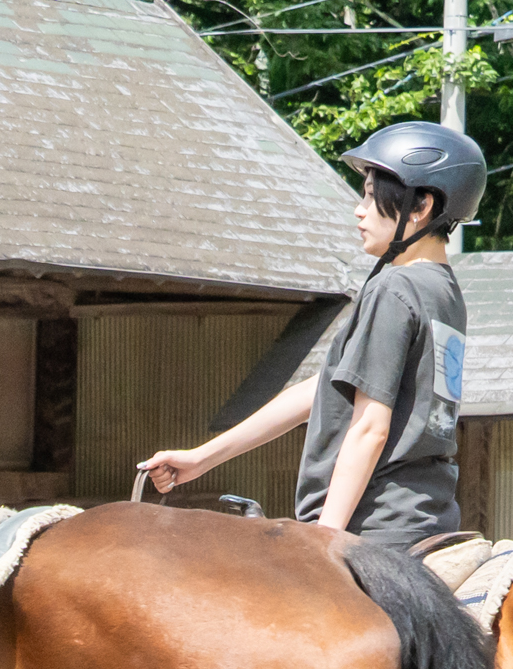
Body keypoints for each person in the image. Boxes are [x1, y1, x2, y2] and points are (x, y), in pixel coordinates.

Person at [136, 121, 486, 539]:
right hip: (425, 522)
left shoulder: (396, 287)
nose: (359, 210)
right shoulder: (443, 290)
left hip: (373, 526)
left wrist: (326, 537)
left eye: (373, 198)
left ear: (421, 206)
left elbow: (370, 428)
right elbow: (322, 389)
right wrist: (203, 457)